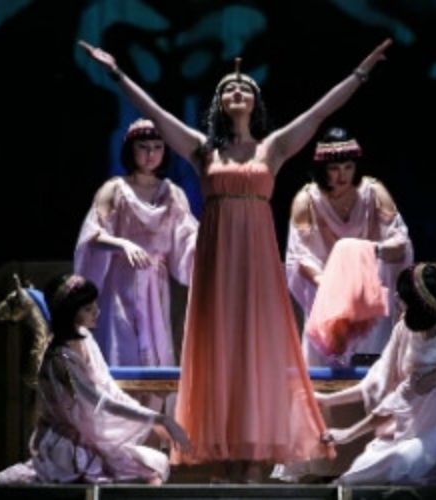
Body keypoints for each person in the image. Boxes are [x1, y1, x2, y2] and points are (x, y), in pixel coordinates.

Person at [78, 36, 392, 482]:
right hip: (218, 265)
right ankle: (225, 462)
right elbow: (159, 114)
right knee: (220, 353)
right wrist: (117, 74)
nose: (236, 90)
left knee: (256, 354)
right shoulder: (202, 150)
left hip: (257, 265)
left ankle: (253, 462)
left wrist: (359, 75)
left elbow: (319, 112)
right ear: (220, 103)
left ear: (255, 101)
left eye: (244, 87)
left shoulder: (272, 149)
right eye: (228, 88)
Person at [0, 273, 191, 485]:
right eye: (88, 309)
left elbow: (109, 388)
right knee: (134, 474)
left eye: (94, 305)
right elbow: (100, 401)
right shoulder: (60, 358)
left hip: (90, 435)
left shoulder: (84, 336)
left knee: (155, 464)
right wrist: (158, 419)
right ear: (70, 312)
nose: (97, 311)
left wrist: (152, 419)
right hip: (67, 445)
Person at [74, 118, 198, 412]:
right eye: (143, 147)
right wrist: (123, 244)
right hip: (121, 284)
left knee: (155, 355)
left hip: (154, 286)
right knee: (121, 349)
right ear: (131, 150)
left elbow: (188, 240)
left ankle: (151, 430)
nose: (151, 154)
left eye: (157, 147)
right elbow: (91, 236)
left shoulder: (172, 194)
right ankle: (118, 428)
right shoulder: (114, 190)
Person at [314, 263, 436, 484]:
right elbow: (378, 379)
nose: (396, 297)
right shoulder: (406, 327)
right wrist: (327, 400)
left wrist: (348, 434)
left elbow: (399, 400)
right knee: (368, 464)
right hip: (420, 417)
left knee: (402, 462)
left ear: (418, 307)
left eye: (403, 296)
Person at [286, 126, 413, 367]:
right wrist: (330, 284)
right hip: (324, 283)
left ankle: (374, 372)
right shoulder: (307, 200)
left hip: (369, 281)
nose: (341, 175)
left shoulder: (374, 193)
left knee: (375, 288)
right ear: (323, 169)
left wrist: (365, 252)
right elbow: (300, 256)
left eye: (348, 167)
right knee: (327, 309)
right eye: (334, 168)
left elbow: (400, 243)